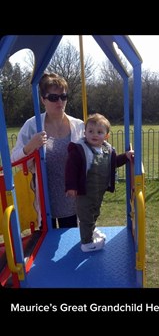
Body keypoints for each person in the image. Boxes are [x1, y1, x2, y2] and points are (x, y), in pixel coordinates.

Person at [11, 72, 85, 228]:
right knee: (47, 247)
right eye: (53, 98)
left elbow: (94, 151)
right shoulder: (32, 126)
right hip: (44, 203)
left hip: (72, 201)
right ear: (43, 100)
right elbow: (14, 161)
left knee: (70, 246)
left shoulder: (78, 126)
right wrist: (30, 146)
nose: (59, 102)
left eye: (63, 97)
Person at [65, 113, 134, 252]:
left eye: (99, 132)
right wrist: (71, 186)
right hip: (84, 191)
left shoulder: (106, 150)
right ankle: (87, 243)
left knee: (95, 212)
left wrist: (126, 156)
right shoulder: (79, 149)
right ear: (85, 132)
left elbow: (113, 163)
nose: (94, 135)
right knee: (85, 216)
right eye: (90, 131)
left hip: (98, 192)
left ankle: (91, 229)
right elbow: (71, 168)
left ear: (106, 136)